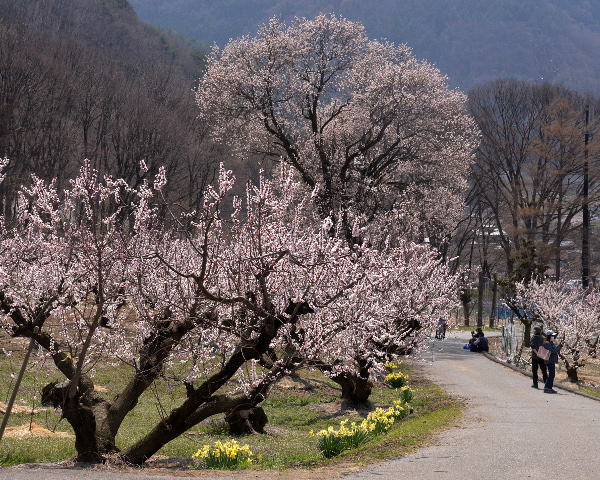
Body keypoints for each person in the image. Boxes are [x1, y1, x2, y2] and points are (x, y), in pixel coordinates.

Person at [542, 329, 563, 394]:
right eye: (552, 336)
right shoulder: (547, 343)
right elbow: (553, 350)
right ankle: (546, 387)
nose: (553, 337)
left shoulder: (550, 343)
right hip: (549, 360)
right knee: (551, 374)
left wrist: (559, 347)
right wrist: (559, 346)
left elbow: (554, 350)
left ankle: (550, 388)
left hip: (551, 360)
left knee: (552, 375)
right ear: (549, 336)